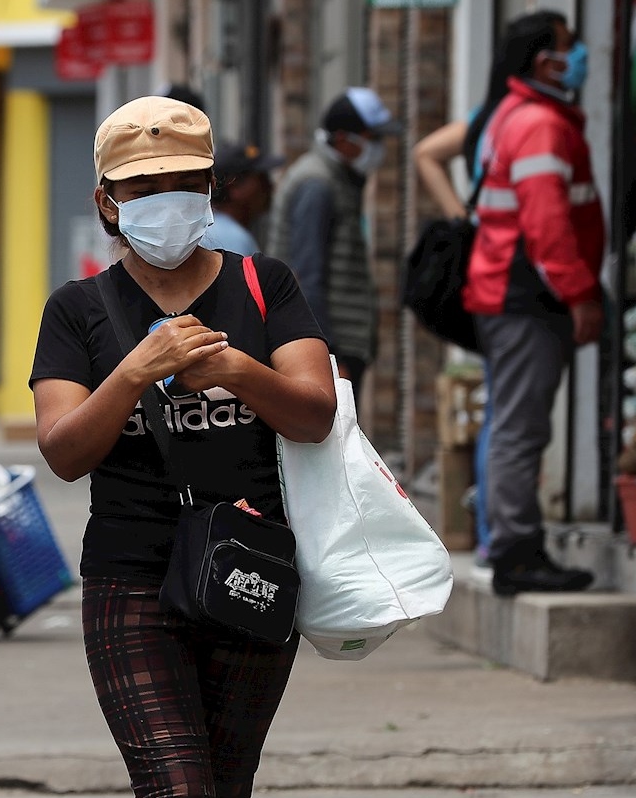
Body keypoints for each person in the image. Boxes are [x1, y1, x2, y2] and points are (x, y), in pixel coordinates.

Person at [29, 96, 335, 798]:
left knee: (226, 796)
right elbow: (65, 449)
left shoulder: (263, 283)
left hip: (251, 575)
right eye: (143, 189)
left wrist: (235, 367)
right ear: (107, 205)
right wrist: (138, 370)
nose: (166, 202)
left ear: (209, 192)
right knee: (177, 786)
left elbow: (315, 412)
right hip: (130, 577)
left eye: (184, 185)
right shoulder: (79, 311)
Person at [413, 11, 562, 561]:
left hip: (488, 278)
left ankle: (491, 531)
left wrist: (461, 215)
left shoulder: (488, 119)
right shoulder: (520, 120)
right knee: (512, 416)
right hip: (517, 280)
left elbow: (425, 152)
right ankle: (504, 538)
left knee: (502, 409)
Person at [464, 12, 601, 596]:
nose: (579, 56)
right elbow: (546, 224)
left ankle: (514, 543)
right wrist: (581, 294)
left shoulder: (509, 115)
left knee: (511, 423)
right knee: (521, 428)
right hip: (526, 298)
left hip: (506, 293)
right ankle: (518, 551)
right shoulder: (541, 124)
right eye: (570, 48)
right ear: (546, 61)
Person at [269, 87, 401, 402]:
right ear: (343, 139)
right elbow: (307, 274)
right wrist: (328, 354)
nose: (378, 148)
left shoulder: (337, 179)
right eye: (372, 139)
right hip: (330, 348)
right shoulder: (318, 184)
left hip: (340, 340)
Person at [202, 142, 284, 255]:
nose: (270, 186)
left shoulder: (212, 228)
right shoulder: (232, 239)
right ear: (235, 186)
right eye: (262, 179)